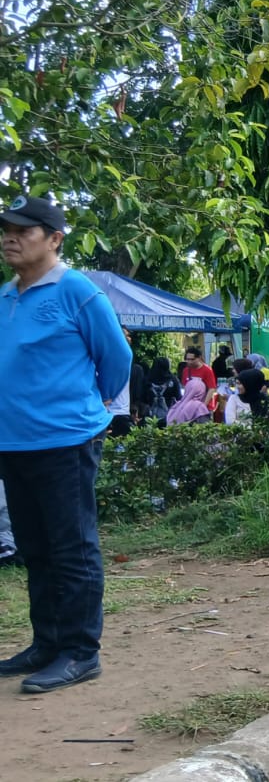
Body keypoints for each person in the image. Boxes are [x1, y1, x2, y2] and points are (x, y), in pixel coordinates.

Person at [0, 195, 133, 693]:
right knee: (34, 549)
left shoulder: (76, 289)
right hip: (13, 444)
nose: (10, 237)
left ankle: (81, 652)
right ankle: (47, 643)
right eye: (6, 229)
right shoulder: (5, 297)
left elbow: (117, 359)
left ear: (55, 239)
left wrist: (87, 408)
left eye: (24, 230)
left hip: (65, 441)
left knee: (72, 548)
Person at [181, 346, 217, 413]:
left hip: (205, 407)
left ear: (199, 358)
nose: (189, 362)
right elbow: (185, 388)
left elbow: (211, 389)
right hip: (189, 407)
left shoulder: (207, 370)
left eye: (192, 359)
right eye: (187, 359)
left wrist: (203, 405)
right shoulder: (185, 371)